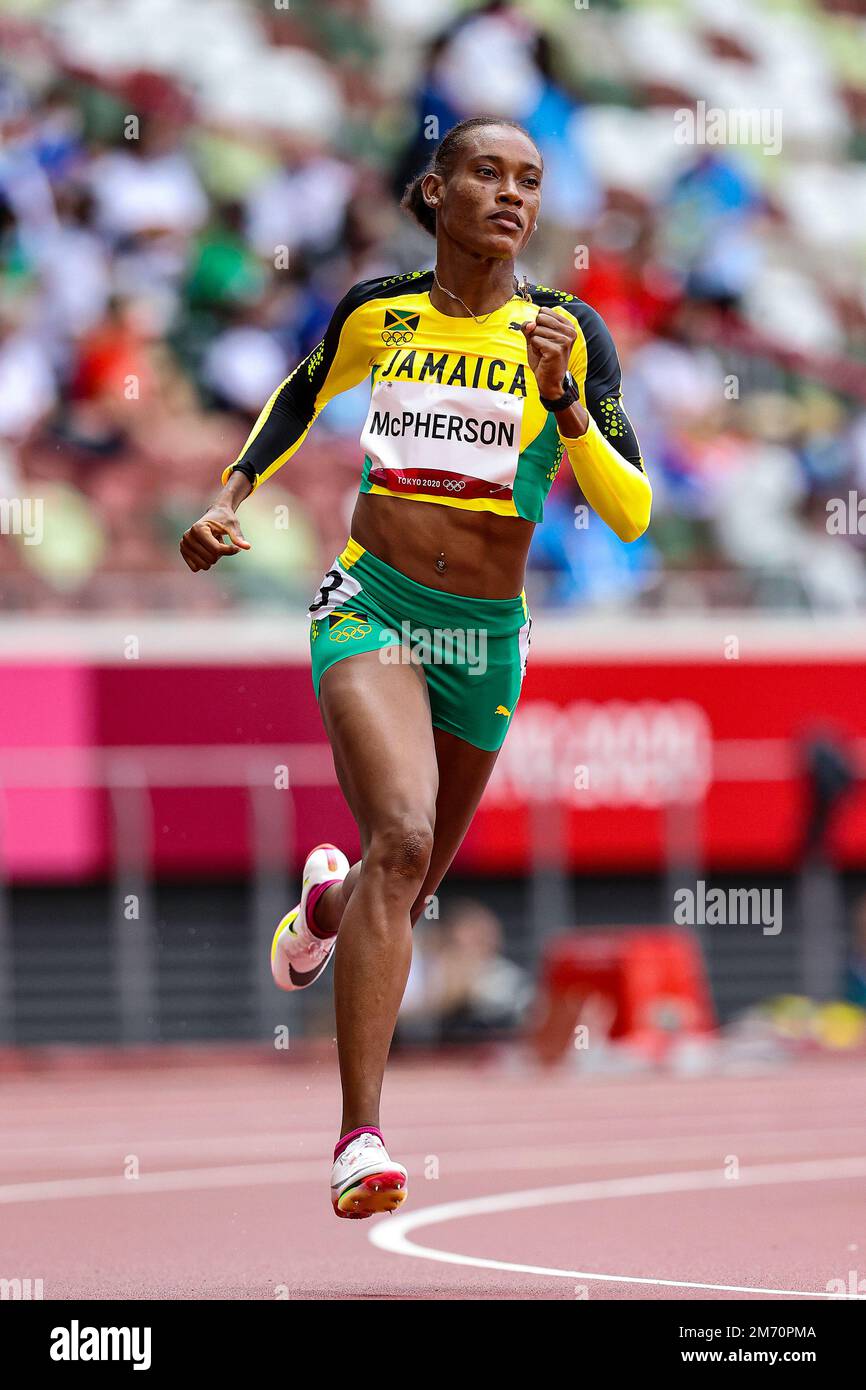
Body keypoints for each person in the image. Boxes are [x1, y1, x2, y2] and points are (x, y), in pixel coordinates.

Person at [180, 116, 651, 1219]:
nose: (510, 194)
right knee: (400, 835)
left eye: (529, 180)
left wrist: (570, 408)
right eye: (485, 172)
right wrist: (228, 495)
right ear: (435, 191)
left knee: (409, 881)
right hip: (373, 604)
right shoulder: (378, 311)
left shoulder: (568, 332)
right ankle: (359, 1137)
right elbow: (300, 393)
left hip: (483, 636)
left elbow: (628, 511)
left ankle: (324, 906)